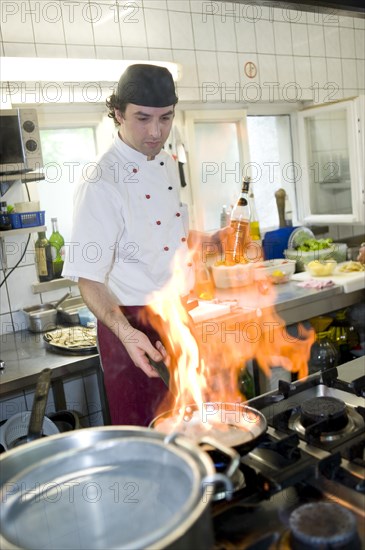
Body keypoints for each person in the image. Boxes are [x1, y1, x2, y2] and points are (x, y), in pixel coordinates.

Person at [63, 64, 229, 426]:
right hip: (130, 325)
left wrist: (211, 240)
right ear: (118, 113)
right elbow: (88, 280)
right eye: (142, 118)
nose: (155, 132)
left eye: (165, 118)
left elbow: (161, 239)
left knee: (190, 427)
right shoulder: (101, 180)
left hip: (176, 316)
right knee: (147, 430)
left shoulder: (167, 163)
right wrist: (126, 333)